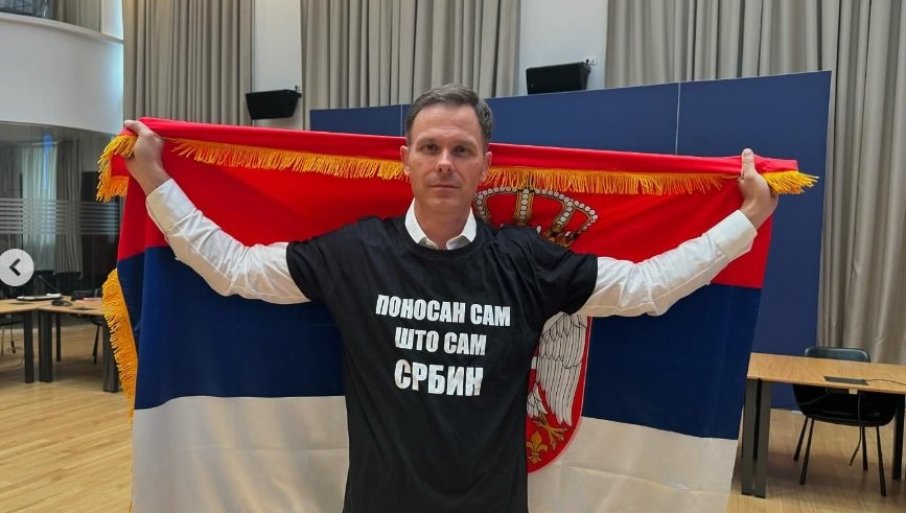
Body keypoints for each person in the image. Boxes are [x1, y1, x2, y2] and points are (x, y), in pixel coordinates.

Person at [124, 84, 777, 513]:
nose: (444, 162)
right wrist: (155, 181)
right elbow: (234, 268)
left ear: (486, 165)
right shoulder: (355, 254)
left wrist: (745, 220)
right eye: (430, 147)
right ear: (403, 158)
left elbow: (645, 288)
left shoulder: (525, 260)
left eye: (461, 150)